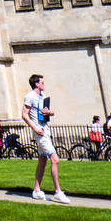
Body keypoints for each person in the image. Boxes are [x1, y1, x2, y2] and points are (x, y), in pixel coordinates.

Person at [22, 74, 69, 204]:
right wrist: (35, 128)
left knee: (42, 160)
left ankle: (37, 190)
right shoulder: (30, 96)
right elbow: (24, 115)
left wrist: (49, 112)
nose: (44, 84)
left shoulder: (42, 96)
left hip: (46, 130)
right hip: (40, 133)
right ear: (36, 84)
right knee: (55, 159)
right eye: (42, 82)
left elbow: (51, 112)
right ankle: (58, 192)